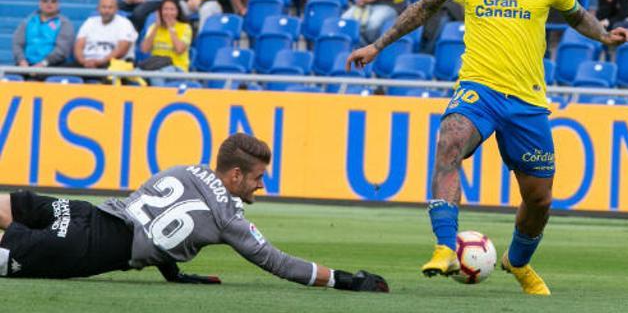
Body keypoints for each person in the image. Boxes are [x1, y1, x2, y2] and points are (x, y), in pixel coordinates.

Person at [345, 0, 628, 295]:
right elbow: (423, 7)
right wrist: (378, 45)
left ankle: (517, 263)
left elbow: (576, 14)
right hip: (478, 88)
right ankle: (445, 246)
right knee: (449, 140)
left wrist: (605, 35)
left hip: (526, 100)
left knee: (539, 199)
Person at [0, 132, 389, 293]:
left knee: (13, 203)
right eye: (257, 178)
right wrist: (345, 280)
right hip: (86, 249)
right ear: (236, 175)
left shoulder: (185, 170)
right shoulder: (228, 221)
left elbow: (149, 223)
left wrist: (175, 272)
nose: (261, 186)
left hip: (89, 213)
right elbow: (279, 263)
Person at [12, 0, 74, 69]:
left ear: (58, 4)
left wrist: (44, 63)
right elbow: (17, 44)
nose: (49, 3)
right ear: (39, 3)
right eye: (45, 0)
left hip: (52, 66)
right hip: (25, 65)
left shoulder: (64, 23)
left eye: (53, 1)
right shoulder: (27, 21)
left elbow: (62, 49)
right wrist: (22, 61)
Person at [74, 0, 137, 69]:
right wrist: (83, 61)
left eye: (110, 7)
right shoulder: (89, 22)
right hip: (86, 63)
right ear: (98, 9)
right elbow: (78, 46)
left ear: (116, 9)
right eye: (104, 7)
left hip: (112, 64)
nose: (107, 11)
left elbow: (122, 50)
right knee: (63, 71)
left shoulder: (125, 23)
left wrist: (99, 62)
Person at [138, 0, 192, 86]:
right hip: (155, 64)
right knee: (134, 74)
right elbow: (144, 49)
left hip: (177, 67)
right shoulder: (153, 27)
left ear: (177, 12)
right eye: (165, 9)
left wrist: (171, 28)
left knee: (156, 75)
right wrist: (156, 27)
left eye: (172, 9)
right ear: (160, 12)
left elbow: (179, 49)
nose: (168, 13)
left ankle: (160, 99)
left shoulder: (185, 28)